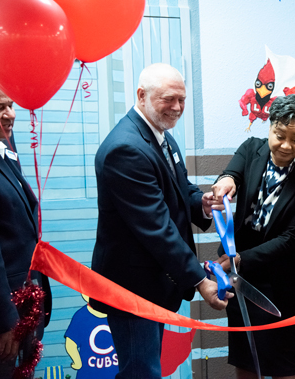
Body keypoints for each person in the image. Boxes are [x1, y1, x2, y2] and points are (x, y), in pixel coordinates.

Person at [90, 63, 230, 378]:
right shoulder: (126, 148)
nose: (178, 108)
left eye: (182, 99)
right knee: (142, 372)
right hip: (132, 288)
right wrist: (200, 281)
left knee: (148, 369)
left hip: (154, 284)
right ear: (142, 96)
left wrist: (203, 204)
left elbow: (182, 190)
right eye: (169, 99)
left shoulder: (160, 135)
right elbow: (156, 228)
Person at [211, 94, 295, 379]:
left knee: (280, 362)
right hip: (242, 277)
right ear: (270, 127)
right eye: (279, 135)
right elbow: (231, 175)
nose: (286, 145)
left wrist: (241, 259)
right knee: (245, 359)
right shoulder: (252, 149)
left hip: (283, 283)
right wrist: (225, 181)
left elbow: (291, 238)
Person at [0, 78, 51, 377]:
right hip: (1, 318)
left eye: (11, 105)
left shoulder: (4, 145)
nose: (11, 114)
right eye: (0, 107)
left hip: (25, 304)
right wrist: (4, 321)